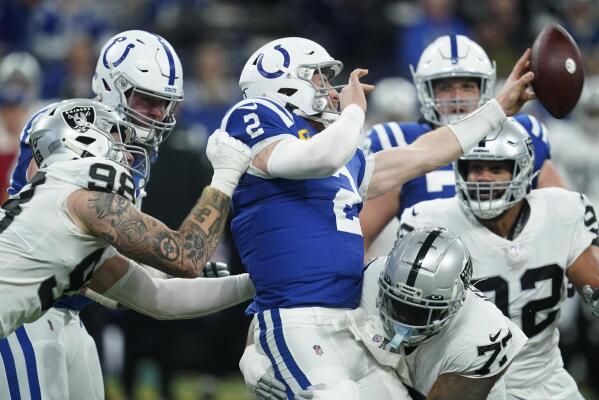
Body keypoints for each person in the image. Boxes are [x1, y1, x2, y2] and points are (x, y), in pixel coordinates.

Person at [218, 35, 534, 397]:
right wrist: (354, 112)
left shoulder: (340, 161)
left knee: (481, 346)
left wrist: (497, 110)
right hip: (298, 320)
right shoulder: (255, 117)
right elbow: (317, 157)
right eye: (319, 78)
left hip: (353, 317)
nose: (332, 90)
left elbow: (423, 154)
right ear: (285, 84)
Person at [0, 98, 250, 398]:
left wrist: (256, 283)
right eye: (116, 142)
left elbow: (159, 299)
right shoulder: (85, 199)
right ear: (82, 140)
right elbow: (187, 256)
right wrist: (225, 176)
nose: (129, 159)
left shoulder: (65, 217)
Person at [397, 120, 599, 399]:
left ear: (522, 170)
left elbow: (593, 286)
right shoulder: (430, 223)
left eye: (496, 168)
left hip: (544, 380)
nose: (484, 178)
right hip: (465, 381)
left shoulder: (561, 210)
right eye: (476, 168)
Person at [240, 227, 527, 400]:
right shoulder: (370, 277)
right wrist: (252, 360)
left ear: (454, 306)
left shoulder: (480, 337)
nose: (402, 321)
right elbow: (287, 311)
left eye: (418, 312)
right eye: (397, 304)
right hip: (384, 376)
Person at [360, 34, 567, 258]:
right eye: (446, 87)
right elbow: (359, 237)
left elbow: (565, 219)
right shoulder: (400, 141)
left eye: (467, 86)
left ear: (485, 87)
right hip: (434, 281)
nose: (457, 98)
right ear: (425, 90)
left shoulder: (521, 134)